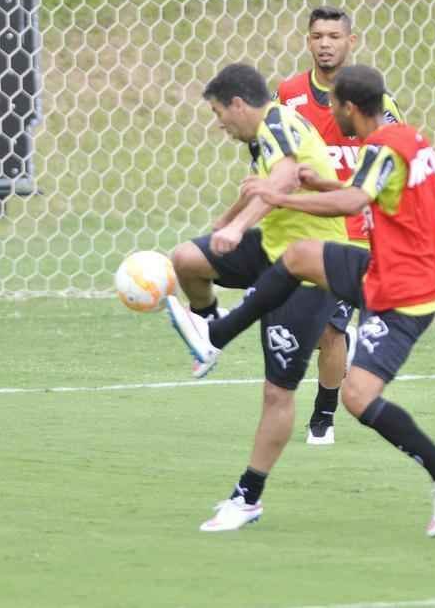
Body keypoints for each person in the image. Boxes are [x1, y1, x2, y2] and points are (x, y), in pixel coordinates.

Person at [169, 65, 435, 536]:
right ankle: (216, 334)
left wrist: (285, 197)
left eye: (334, 108)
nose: (330, 116)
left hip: (405, 290)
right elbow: (366, 195)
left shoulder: (382, 146)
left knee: (357, 397)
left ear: (350, 108)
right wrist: (320, 185)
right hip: (384, 267)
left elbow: (354, 204)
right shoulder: (407, 139)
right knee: (298, 257)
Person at [165, 63, 347, 531]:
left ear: (238, 105)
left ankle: (247, 498)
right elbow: (260, 188)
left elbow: (283, 180)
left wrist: (237, 228)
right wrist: (222, 226)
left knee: (276, 393)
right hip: (271, 251)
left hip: (310, 269)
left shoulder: (280, 124)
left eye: (218, 112)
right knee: (185, 259)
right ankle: (209, 331)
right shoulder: (261, 136)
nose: (218, 122)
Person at [275, 5, 404, 445]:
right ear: (308, 41)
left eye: (334, 35)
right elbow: (276, 151)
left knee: (330, 329)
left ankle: (323, 416)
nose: (325, 43)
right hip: (302, 229)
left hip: (354, 236)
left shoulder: (376, 102)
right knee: (297, 331)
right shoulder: (289, 94)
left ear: (352, 42)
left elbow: (395, 158)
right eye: (317, 36)